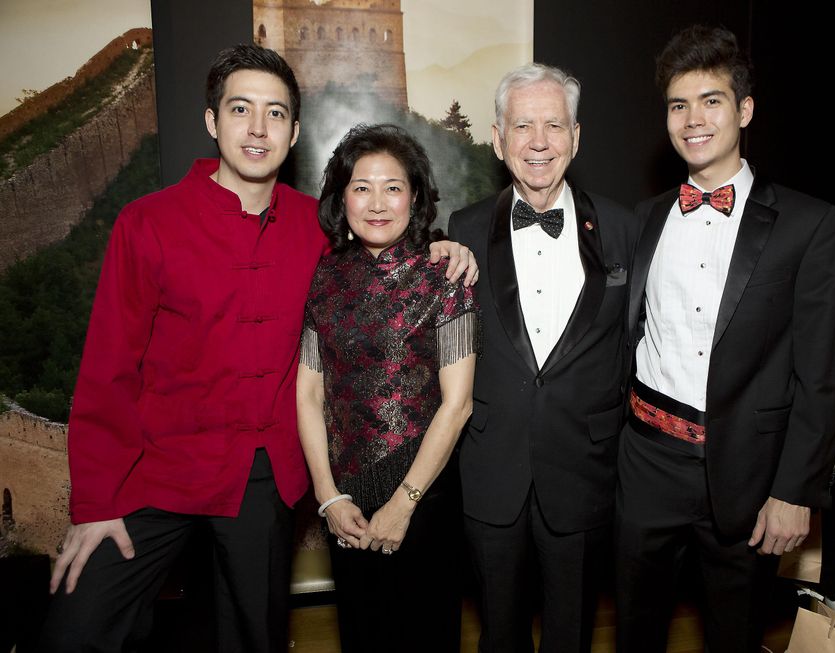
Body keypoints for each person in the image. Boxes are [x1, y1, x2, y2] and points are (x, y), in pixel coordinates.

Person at [41, 46, 476, 652]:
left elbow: (384, 250)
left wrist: (447, 247)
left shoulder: (319, 230)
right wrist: (93, 503)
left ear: (294, 132)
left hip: (260, 480)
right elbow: (106, 372)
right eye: (240, 109)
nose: (257, 128)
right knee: (75, 630)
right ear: (212, 120)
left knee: (252, 640)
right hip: (155, 471)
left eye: (275, 114)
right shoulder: (147, 223)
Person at [616, 25, 835, 653]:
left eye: (711, 100)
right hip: (645, 463)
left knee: (735, 634)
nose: (693, 119)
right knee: (635, 630)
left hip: (747, 474)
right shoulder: (645, 218)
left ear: (745, 110)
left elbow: (822, 373)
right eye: (678, 104)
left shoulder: (810, 224)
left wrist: (795, 491)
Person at [448, 64, 639, 653]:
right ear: (498, 137)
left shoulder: (623, 227)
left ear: (576, 137)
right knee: (498, 630)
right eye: (522, 125)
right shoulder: (464, 229)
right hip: (491, 466)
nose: (538, 142)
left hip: (583, 466)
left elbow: (634, 344)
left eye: (553, 125)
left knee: (572, 632)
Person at [296, 123, 478, 653]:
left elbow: (458, 404)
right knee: (362, 633)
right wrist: (328, 496)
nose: (378, 203)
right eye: (362, 186)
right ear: (342, 196)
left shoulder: (445, 276)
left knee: (425, 635)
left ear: (415, 196)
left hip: (426, 495)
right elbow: (309, 394)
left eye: (393, 187)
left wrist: (404, 504)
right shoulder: (326, 277)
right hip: (347, 500)